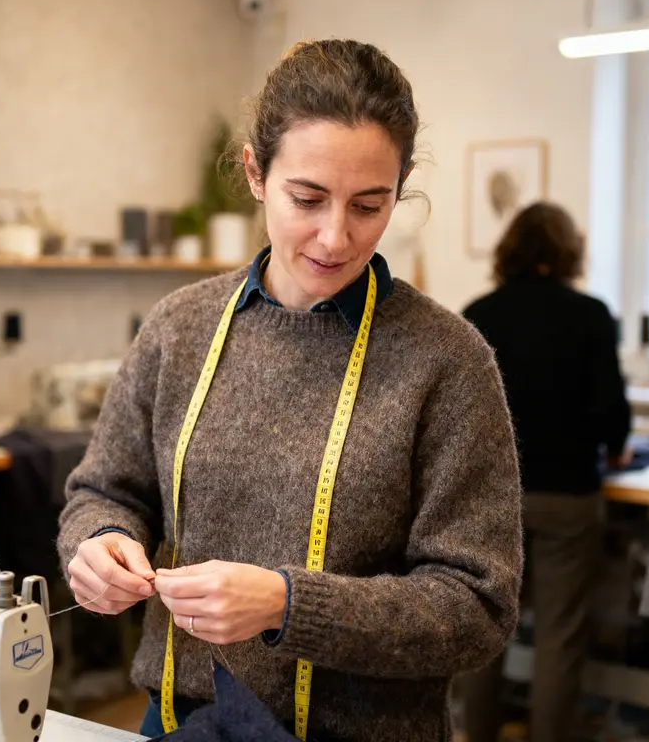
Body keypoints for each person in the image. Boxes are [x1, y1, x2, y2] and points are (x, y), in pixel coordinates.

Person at [57, 39, 524, 742]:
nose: (335, 237)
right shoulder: (179, 328)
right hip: (179, 723)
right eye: (307, 198)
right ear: (254, 172)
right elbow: (104, 490)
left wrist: (287, 604)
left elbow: (479, 607)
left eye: (370, 204)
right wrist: (98, 540)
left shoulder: (447, 362)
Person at [458, 202, 632, 742]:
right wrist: (618, 445)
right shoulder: (591, 315)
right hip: (568, 496)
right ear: (568, 252)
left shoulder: (480, 312)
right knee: (559, 635)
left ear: (510, 249)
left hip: (495, 500)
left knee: (485, 628)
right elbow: (609, 411)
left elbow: (462, 414)